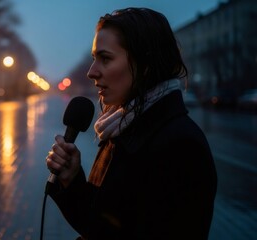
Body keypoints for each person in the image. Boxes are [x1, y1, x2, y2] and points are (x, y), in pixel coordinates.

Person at [45, 7, 217, 240]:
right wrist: (72, 180)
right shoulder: (123, 127)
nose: (91, 72)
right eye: (95, 58)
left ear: (145, 63)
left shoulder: (182, 146)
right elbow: (101, 226)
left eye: (105, 58)